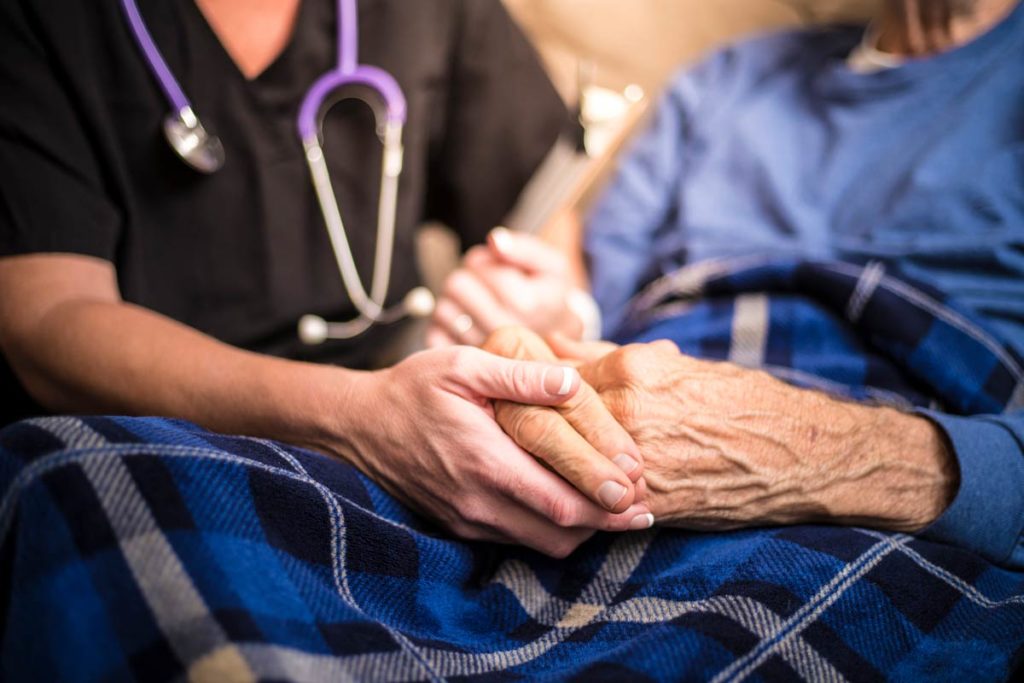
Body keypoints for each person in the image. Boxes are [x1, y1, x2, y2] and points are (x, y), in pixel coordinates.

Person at [0, 0, 655, 558]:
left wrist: (548, 304)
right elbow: (47, 319)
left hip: (413, 426)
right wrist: (358, 418)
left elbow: (541, 216)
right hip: (143, 446)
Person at [432, 0, 1024, 568]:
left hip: (911, 462)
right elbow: (598, 307)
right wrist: (550, 319)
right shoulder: (726, 79)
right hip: (645, 422)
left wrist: (823, 455)